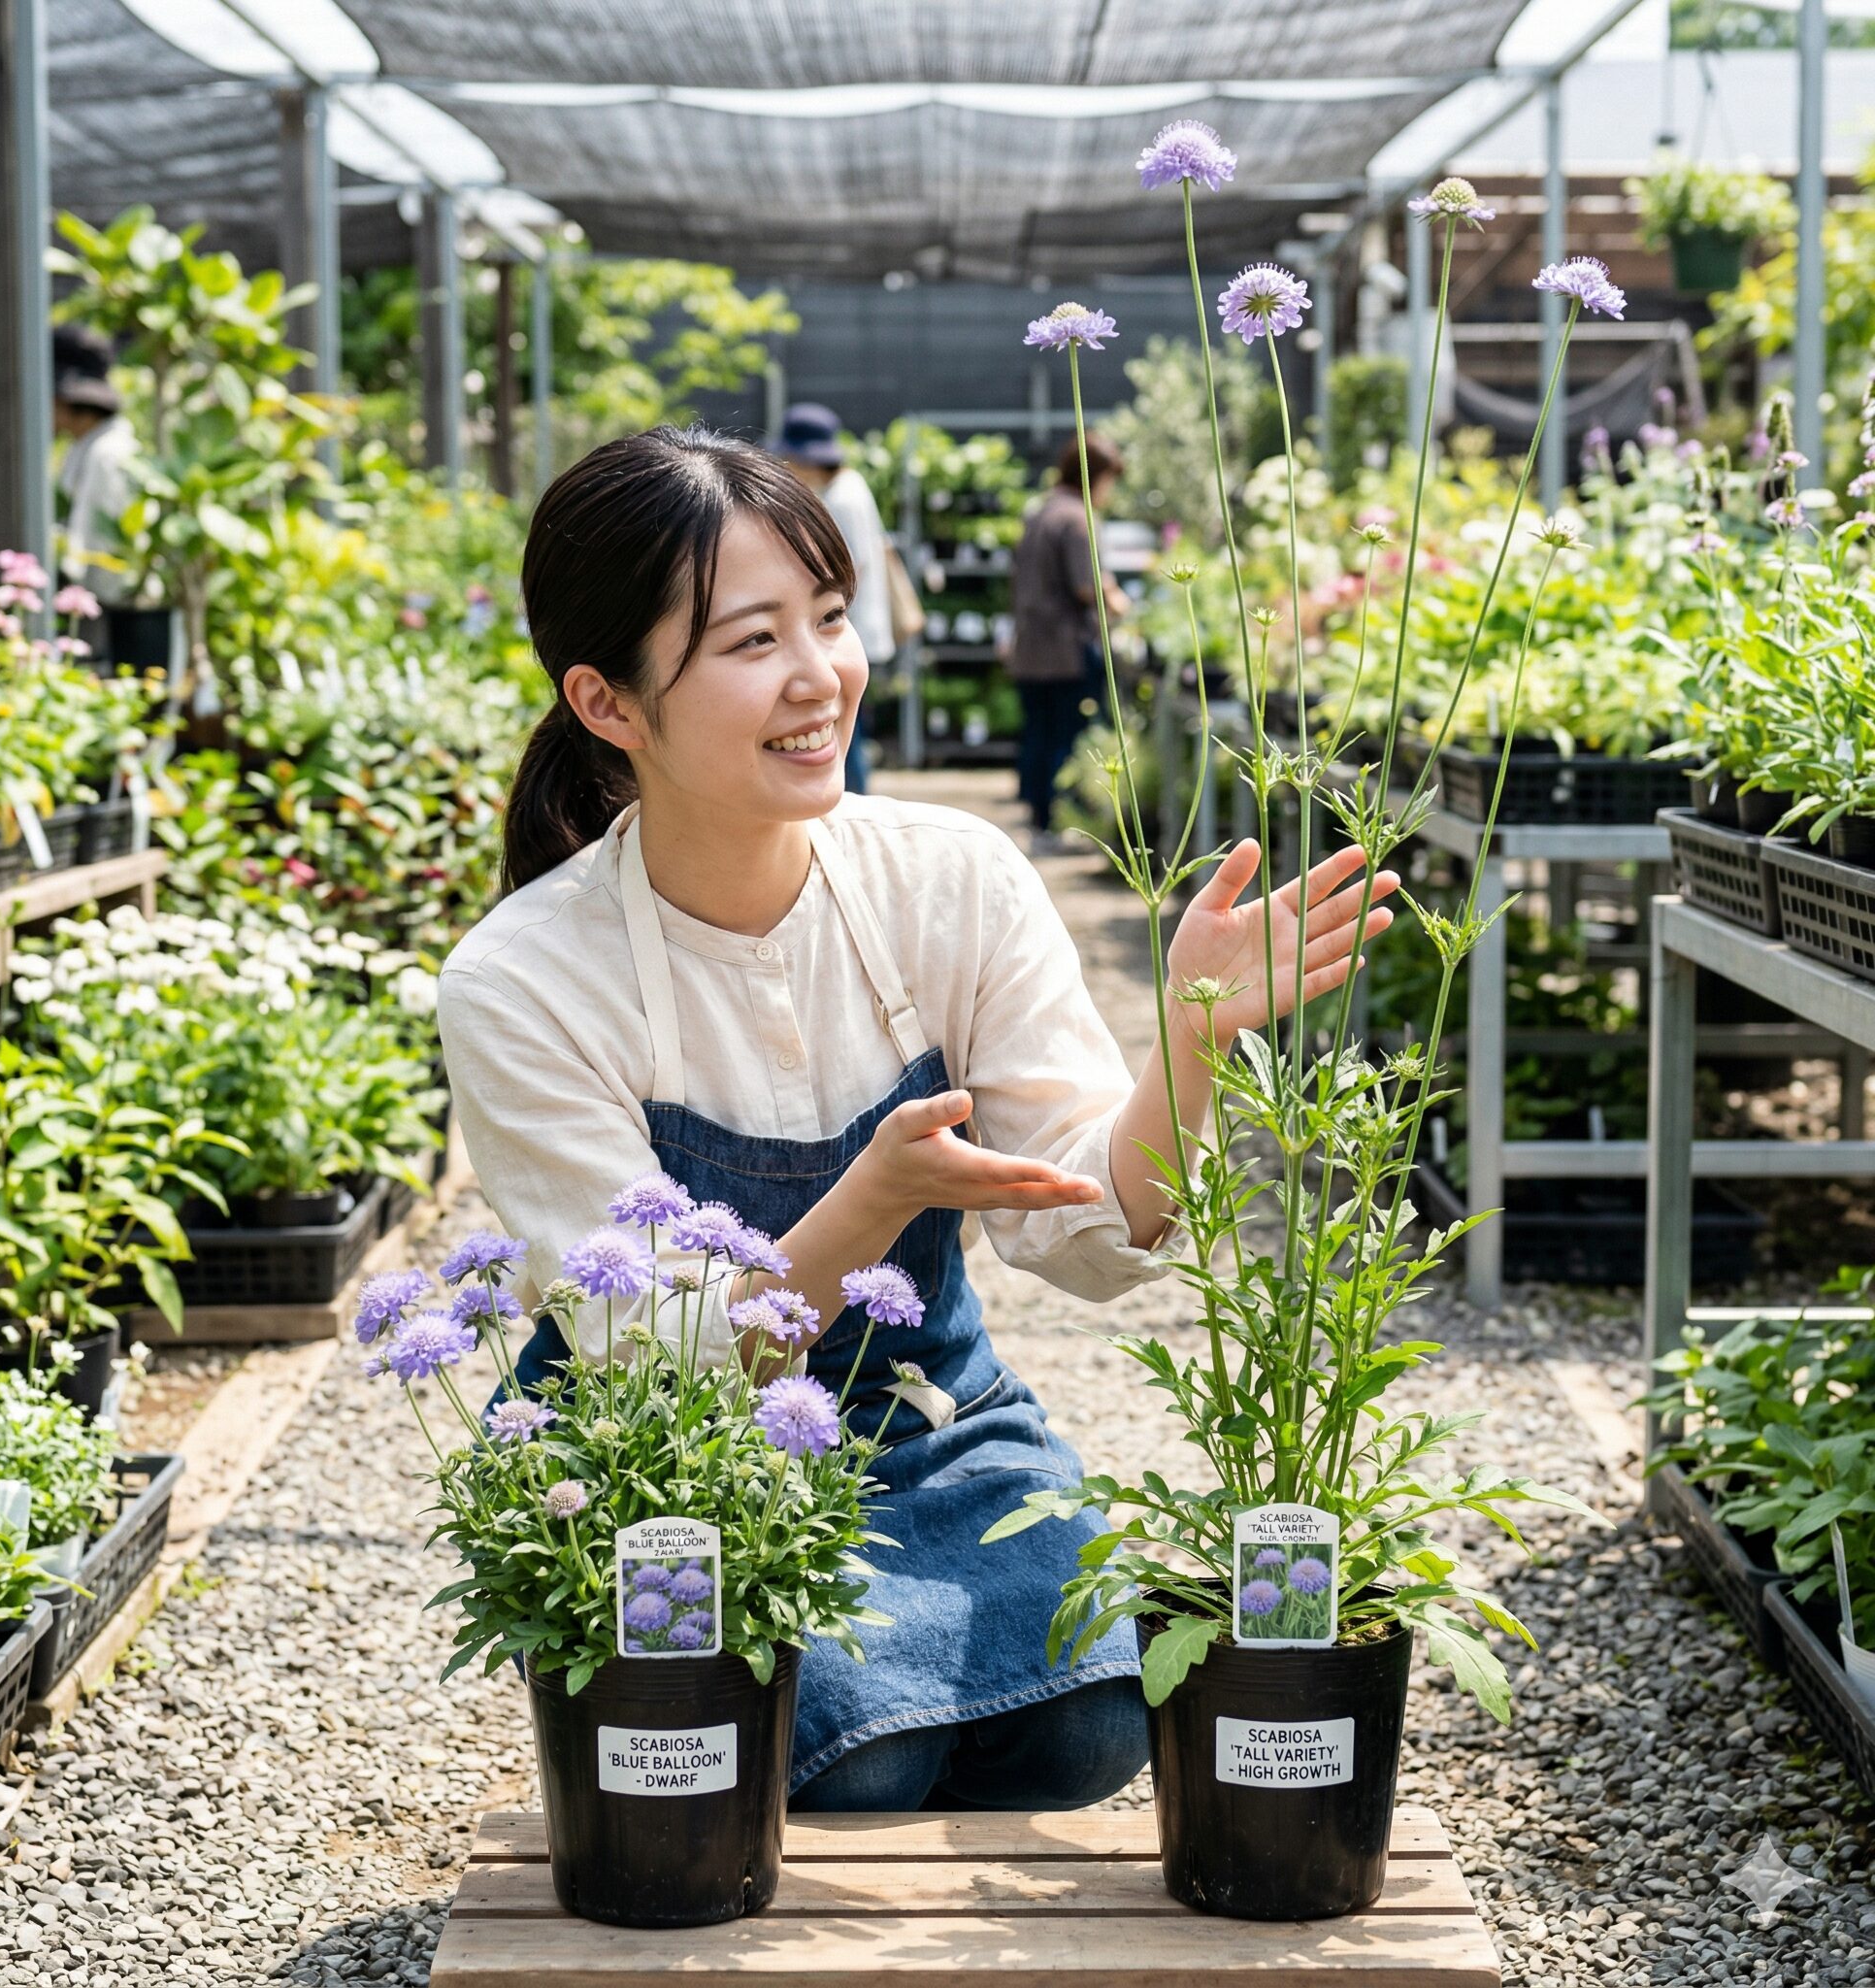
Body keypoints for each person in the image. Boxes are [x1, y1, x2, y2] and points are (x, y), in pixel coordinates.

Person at [437, 427, 1396, 1812]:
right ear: (608, 702)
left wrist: (1187, 1043)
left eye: (828, 620)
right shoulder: (525, 979)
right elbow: (661, 1360)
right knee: (858, 1754)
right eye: (751, 641)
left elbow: (1081, 1230)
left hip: (929, 1422)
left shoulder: (949, 878)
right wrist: (874, 1199)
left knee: (1102, 1717)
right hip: (666, 1475)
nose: (821, 676)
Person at [1008, 433, 1130, 847]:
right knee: (1064, 738)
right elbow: (1087, 585)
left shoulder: (1041, 511)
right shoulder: (1077, 518)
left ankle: (1040, 821)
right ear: (1094, 476)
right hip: (1064, 652)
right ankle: (1058, 824)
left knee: (1038, 734)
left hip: (1030, 649)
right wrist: (1119, 601)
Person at [768, 402, 894, 794]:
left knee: (840, 728)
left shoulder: (838, 500)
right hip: (854, 627)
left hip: (845, 631)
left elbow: (842, 573)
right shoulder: (850, 486)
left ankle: (849, 804)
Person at [51, 325, 139, 603]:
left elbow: (103, 566)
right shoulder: (85, 448)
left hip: (108, 617)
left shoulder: (107, 455)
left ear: (64, 401)